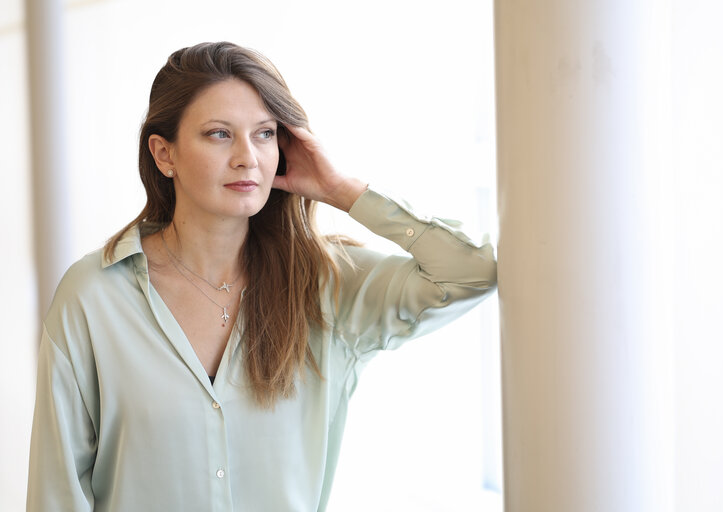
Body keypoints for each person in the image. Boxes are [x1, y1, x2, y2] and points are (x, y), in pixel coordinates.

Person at [27, 41, 497, 511]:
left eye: (265, 133)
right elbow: (58, 492)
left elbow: (473, 273)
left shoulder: (327, 286)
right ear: (163, 153)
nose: (247, 157)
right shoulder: (93, 296)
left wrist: (341, 189)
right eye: (218, 134)